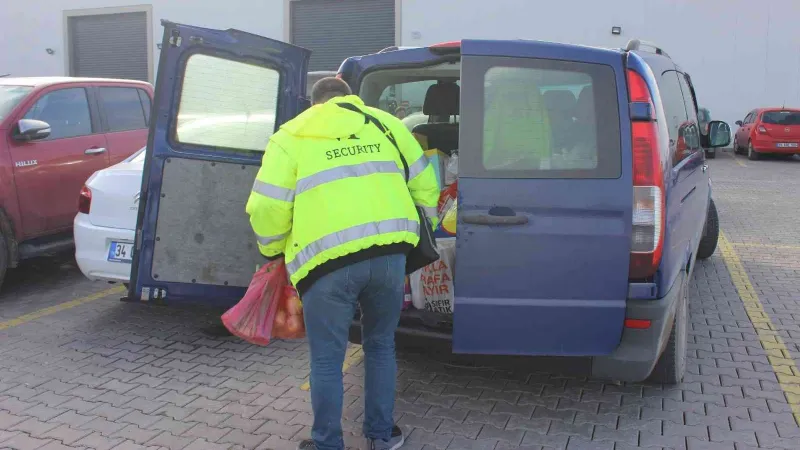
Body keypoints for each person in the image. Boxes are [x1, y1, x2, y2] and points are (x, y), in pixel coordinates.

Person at [246, 77, 440, 450]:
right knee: (381, 345)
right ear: (351, 99)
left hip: (326, 264)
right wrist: (424, 227)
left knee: (327, 359)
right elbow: (425, 184)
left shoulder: (290, 137)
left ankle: (327, 444)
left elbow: (267, 206)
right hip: (388, 255)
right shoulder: (387, 124)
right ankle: (382, 437)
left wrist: (271, 250)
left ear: (313, 104)